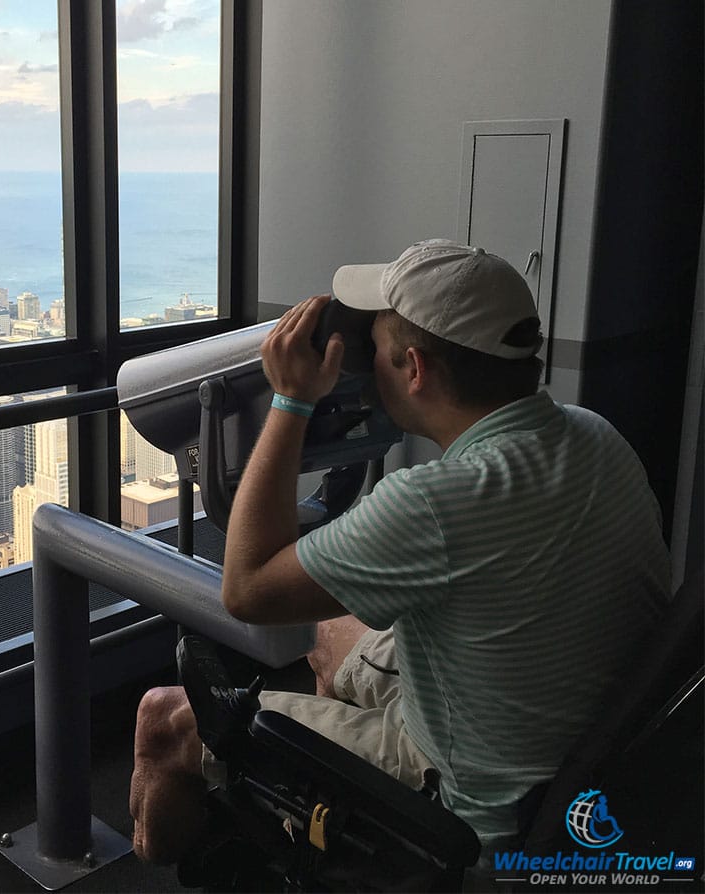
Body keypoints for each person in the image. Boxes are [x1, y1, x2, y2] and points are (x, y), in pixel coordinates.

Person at [129, 238, 670, 864]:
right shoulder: (596, 434)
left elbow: (246, 590)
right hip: (582, 764)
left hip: (473, 812)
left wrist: (291, 401)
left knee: (162, 720)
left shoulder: (435, 502)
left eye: (376, 349)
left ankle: (171, 855)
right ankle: (304, 814)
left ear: (415, 370)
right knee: (327, 630)